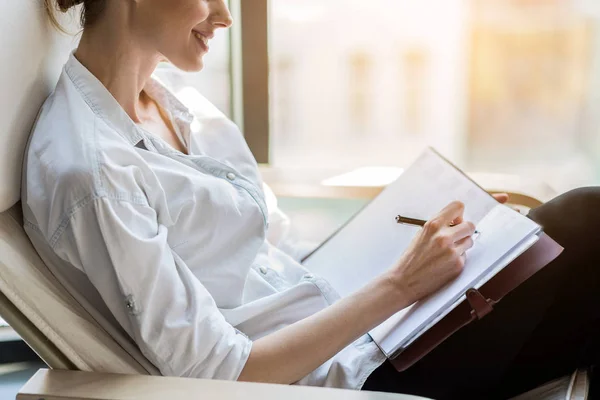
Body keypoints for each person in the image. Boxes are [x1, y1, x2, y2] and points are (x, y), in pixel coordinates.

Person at [22, 1, 599, 399]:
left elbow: (280, 248)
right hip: (348, 381)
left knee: (563, 266)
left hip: (366, 325)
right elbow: (222, 372)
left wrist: (421, 249)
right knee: (583, 220)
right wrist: (401, 284)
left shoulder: (176, 105)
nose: (225, 16)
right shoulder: (93, 174)